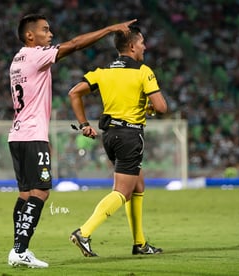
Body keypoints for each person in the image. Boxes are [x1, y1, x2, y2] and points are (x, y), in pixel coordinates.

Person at [7, 13, 137, 268]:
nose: (51, 34)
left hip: (17, 134)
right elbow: (75, 44)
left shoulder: (17, 59)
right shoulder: (36, 54)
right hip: (33, 135)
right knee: (41, 193)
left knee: (25, 195)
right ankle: (20, 250)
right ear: (30, 35)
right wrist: (109, 28)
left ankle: (18, 249)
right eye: (45, 30)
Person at [68, 25, 168, 257]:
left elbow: (74, 92)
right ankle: (84, 232)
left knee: (137, 186)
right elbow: (162, 107)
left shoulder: (102, 72)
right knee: (122, 192)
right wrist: (149, 106)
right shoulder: (143, 71)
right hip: (130, 136)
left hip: (110, 136)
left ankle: (140, 244)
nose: (144, 46)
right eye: (142, 42)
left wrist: (84, 124)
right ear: (132, 46)